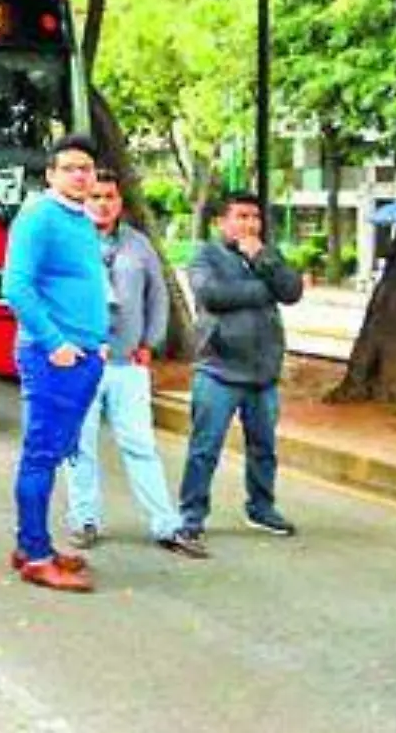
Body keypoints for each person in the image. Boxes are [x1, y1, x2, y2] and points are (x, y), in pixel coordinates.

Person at [63, 171, 206, 559]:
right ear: (83, 200)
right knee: (80, 446)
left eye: (110, 196)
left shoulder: (138, 245)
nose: (103, 203)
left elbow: (158, 297)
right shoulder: (69, 242)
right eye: (95, 196)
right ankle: (84, 518)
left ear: (120, 202)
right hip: (83, 361)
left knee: (141, 444)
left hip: (128, 364)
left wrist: (150, 343)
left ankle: (166, 524)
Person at [0, 135, 109, 593]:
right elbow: (15, 287)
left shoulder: (80, 218)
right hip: (53, 358)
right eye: (70, 168)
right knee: (42, 454)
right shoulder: (39, 216)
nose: (81, 176)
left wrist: (98, 343)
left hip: (84, 355)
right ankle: (37, 558)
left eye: (87, 168)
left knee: (58, 449)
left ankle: (32, 543)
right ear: (51, 174)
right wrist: (55, 344)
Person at [177, 191, 305, 544]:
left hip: (263, 371)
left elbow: (291, 290)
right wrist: (265, 289)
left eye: (254, 217)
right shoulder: (206, 256)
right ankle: (191, 514)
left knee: (263, 447)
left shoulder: (267, 255)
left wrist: (262, 259)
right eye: (241, 217)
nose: (249, 224)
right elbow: (213, 295)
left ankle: (262, 508)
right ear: (221, 222)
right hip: (218, 368)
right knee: (205, 447)